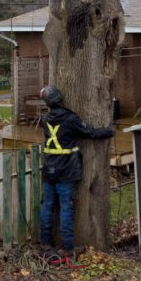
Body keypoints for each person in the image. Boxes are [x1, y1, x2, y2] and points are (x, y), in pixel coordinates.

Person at [38, 84, 113, 259]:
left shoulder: (45, 119)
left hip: (49, 169)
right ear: (60, 99)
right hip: (66, 172)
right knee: (66, 209)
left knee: (47, 207)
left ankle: (45, 243)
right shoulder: (70, 119)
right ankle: (68, 248)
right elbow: (90, 132)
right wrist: (109, 131)